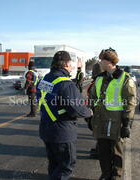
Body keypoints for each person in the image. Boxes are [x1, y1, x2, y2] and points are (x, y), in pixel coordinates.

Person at [36, 51, 92, 180]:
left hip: (46, 127)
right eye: (71, 63)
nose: (73, 66)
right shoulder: (66, 83)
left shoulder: (46, 79)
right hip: (62, 131)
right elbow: (76, 109)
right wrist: (89, 112)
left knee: (54, 163)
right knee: (66, 166)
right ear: (66, 64)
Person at [89, 48, 137, 180]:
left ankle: (116, 176)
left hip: (115, 122)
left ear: (109, 61)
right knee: (103, 151)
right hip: (100, 120)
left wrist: (127, 123)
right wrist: (90, 116)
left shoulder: (125, 79)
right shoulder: (99, 78)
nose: (100, 62)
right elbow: (93, 98)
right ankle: (105, 175)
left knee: (116, 152)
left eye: (102, 60)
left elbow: (131, 102)